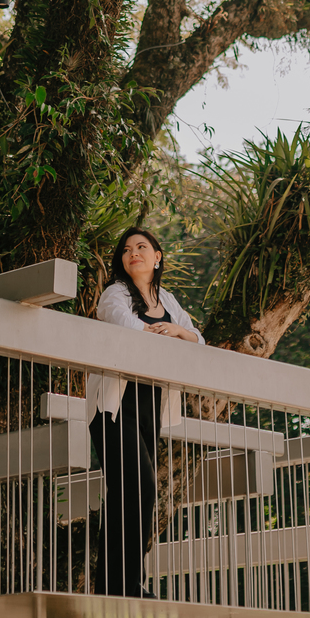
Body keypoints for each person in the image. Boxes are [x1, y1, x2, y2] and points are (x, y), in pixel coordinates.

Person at [90, 227, 201, 597]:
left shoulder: (167, 299)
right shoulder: (116, 293)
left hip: (149, 405)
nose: (133, 253)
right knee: (140, 486)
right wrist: (163, 333)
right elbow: (120, 322)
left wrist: (178, 332)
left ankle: (113, 586)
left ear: (157, 257)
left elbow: (198, 339)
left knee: (129, 493)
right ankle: (126, 583)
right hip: (114, 405)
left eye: (141, 247)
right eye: (126, 249)